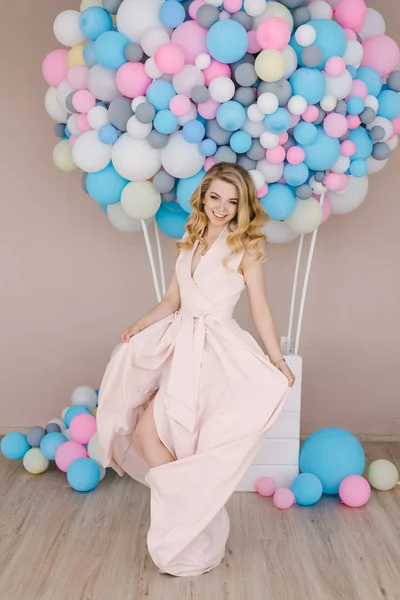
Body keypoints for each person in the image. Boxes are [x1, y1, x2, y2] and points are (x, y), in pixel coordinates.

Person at [96, 162, 295, 578]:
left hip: (215, 350)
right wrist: (138, 324)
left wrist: (276, 359)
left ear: (243, 206)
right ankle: (192, 518)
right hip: (179, 343)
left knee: (172, 437)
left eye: (232, 201)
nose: (222, 207)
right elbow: (172, 300)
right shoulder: (189, 240)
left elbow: (259, 308)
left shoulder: (245, 247)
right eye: (216, 197)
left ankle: (187, 525)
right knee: (149, 433)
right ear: (203, 196)